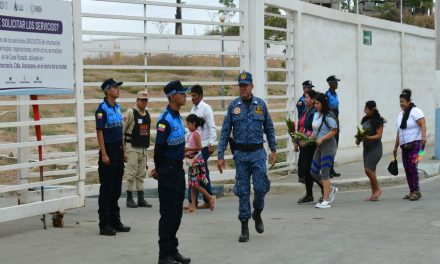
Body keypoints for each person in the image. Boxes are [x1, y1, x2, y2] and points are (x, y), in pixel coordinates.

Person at [217, 71, 276, 242]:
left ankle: (257, 212)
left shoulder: (261, 105)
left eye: (246, 85)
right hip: (241, 155)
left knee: (260, 188)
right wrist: (221, 155)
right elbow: (225, 132)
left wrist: (273, 149)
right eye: (240, 86)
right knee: (243, 191)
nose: (243, 89)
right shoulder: (233, 106)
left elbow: (270, 128)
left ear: (252, 86)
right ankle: (244, 227)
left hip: (258, 153)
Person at [152, 80, 191, 264]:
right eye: (181, 93)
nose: (185, 96)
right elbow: (158, 150)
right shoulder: (165, 120)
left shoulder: (178, 117)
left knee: (177, 212)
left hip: (177, 169)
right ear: (172, 96)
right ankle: (164, 255)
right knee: (168, 213)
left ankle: (173, 250)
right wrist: (159, 170)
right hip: (167, 169)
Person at [95, 78, 131, 236]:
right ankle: (105, 224)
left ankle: (116, 221)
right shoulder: (102, 110)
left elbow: (120, 131)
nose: (118, 90)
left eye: (118, 87)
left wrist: (123, 150)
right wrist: (104, 153)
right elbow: (100, 132)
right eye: (115, 87)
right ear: (107, 90)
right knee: (106, 189)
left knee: (116, 189)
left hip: (118, 150)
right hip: (108, 150)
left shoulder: (117, 107)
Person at [184, 84, 217, 210]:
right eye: (191, 96)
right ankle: (196, 201)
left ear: (201, 96)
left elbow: (212, 126)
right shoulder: (193, 110)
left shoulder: (206, 108)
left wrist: (212, 144)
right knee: (200, 172)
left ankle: (204, 199)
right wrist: (185, 142)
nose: (192, 98)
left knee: (198, 172)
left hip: (204, 145)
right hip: (196, 146)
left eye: (194, 96)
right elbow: (190, 131)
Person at [393, 89, 426, 201]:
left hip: (416, 144)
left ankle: (417, 191)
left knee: (413, 166)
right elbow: (399, 132)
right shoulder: (400, 115)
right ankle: (411, 191)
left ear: (408, 101)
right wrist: (395, 146)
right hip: (404, 146)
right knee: (407, 168)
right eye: (400, 101)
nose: (401, 104)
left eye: (403, 101)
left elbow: (422, 123)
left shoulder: (415, 111)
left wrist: (424, 137)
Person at [123, 90, 152, 208]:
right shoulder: (130, 112)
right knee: (131, 174)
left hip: (143, 149)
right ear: (137, 100)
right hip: (132, 148)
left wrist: (147, 156)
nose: (144, 102)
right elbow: (122, 131)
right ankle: (129, 198)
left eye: (146, 100)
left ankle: (141, 199)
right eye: (142, 100)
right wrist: (124, 150)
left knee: (141, 175)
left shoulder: (147, 114)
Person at [310, 93, 339, 209]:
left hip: (328, 146)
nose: (315, 105)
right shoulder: (316, 114)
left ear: (323, 104)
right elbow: (316, 129)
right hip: (319, 146)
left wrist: (322, 138)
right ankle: (331, 189)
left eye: (318, 103)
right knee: (313, 171)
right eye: (315, 103)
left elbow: (334, 131)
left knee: (325, 173)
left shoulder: (329, 116)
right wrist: (312, 137)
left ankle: (326, 200)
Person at [295, 89, 324, 204]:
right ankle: (309, 195)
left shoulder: (314, 113)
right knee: (305, 171)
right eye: (304, 97)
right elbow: (300, 127)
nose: (304, 99)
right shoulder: (305, 111)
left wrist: (306, 141)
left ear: (312, 100)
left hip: (311, 145)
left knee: (312, 171)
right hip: (303, 145)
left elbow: (313, 130)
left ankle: (325, 190)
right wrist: (297, 141)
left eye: (306, 97)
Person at [356, 101, 384, 201]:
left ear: (372, 110)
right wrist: (358, 138)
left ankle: (377, 189)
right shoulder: (365, 121)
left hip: (375, 149)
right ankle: (374, 193)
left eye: (366, 109)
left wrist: (367, 137)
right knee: (371, 171)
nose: (365, 111)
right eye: (365, 108)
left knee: (368, 170)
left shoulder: (379, 121)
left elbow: (379, 135)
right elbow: (362, 134)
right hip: (366, 149)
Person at [325, 75, 341, 177]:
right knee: (329, 147)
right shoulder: (327, 95)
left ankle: (331, 168)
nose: (337, 84)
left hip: (336, 121)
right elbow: (326, 110)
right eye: (335, 82)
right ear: (331, 84)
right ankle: (327, 170)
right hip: (331, 122)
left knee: (335, 146)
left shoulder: (335, 94)